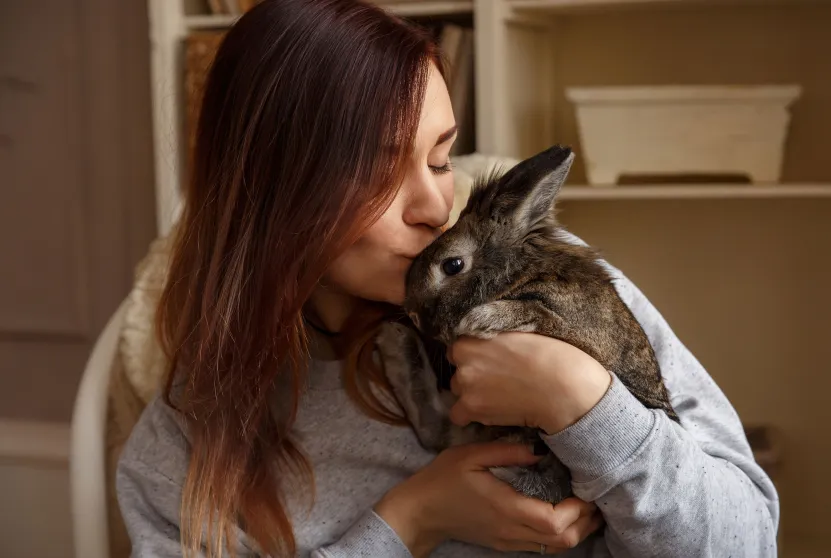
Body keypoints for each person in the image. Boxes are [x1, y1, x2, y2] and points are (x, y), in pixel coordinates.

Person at [116, 0, 780, 556]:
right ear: (274, 191)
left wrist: (584, 404)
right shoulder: (184, 438)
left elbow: (747, 542)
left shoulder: (539, 279)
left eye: (439, 159)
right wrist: (412, 520)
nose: (435, 209)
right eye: (378, 173)